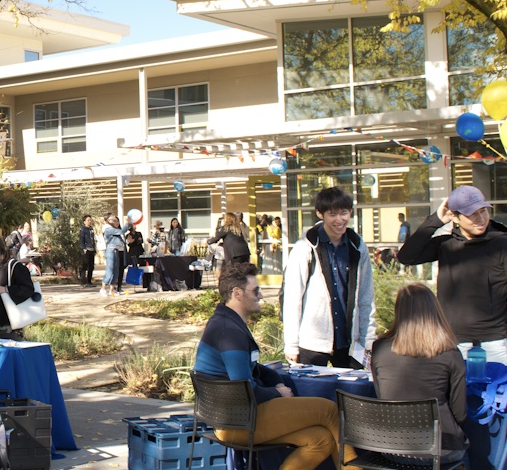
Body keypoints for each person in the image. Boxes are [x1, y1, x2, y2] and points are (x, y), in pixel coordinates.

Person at [195, 261, 355, 470]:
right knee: (329, 411)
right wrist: (277, 392)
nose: (261, 296)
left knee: (320, 439)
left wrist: (277, 383)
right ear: (237, 293)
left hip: (236, 419)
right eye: (256, 290)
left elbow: (255, 368)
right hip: (237, 423)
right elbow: (246, 390)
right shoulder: (230, 332)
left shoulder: (226, 322)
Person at [400, 184, 507, 362]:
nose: (481, 218)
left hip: (495, 343)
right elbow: (407, 257)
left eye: (483, 211)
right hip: (451, 342)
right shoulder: (446, 245)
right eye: (472, 214)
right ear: (455, 218)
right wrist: (435, 221)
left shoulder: (501, 243)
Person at [367, 282, 466, 465]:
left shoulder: (379, 348)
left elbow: (383, 397)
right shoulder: (450, 353)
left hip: (392, 447)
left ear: (399, 312)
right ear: (434, 310)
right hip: (440, 449)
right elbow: (460, 413)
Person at [282, 186, 375, 368]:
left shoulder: (357, 247)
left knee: (350, 394)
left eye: (344, 213)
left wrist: (368, 339)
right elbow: (293, 299)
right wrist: (291, 344)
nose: (339, 220)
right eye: (332, 214)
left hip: (349, 341)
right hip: (312, 343)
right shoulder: (305, 248)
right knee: (311, 396)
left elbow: (366, 296)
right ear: (320, 213)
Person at [101, 214, 126, 296]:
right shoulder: (108, 229)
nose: (116, 222)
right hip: (110, 250)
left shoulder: (115, 229)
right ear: (108, 221)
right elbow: (121, 231)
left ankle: (112, 289)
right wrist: (128, 224)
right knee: (110, 269)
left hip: (117, 250)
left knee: (116, 271)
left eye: (117, 220)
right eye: (114, 220)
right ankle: (103, 288)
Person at [78, 216, 97, 287]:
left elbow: (92, 239)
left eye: (90, 220)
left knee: (91, 266)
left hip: (91, 249)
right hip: (86, 250)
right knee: (84, 266)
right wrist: (84, 248)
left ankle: (89, 282)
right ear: (84, 221)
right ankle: (84, 282)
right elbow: (81, 240)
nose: (90, 221)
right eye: (88, 220)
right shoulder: (83, 230)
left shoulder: (91, 229)